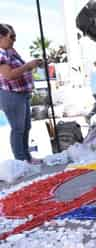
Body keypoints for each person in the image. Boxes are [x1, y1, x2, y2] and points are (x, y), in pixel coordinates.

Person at [0, 24, 42, 163]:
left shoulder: (8, 51)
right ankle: (21, 160)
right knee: (18, 129)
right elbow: (9, 75)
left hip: (20, 94)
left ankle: (26, 157)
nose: (14, 40)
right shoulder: (0, 53)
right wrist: (28, 66)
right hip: (11, 95)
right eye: (11, 37)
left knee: (25, 127)